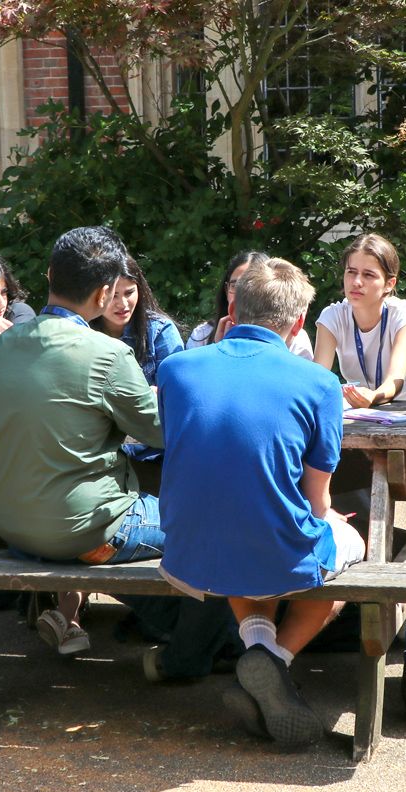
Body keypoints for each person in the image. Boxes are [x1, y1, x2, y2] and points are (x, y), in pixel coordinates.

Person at [157, 257, 366, 746]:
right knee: (347, 542)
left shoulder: (176, 369)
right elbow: (318, 502)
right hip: (262, 547)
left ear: (233, 306)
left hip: (186, 552)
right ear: (297, 324)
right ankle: (275, 659)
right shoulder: (320, 383)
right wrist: (334, 522)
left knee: (242, 523)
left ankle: (257, 646)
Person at [0, 227, 165, 657]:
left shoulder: (5, 344)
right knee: (203, 513)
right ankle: (210, 643)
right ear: (104, 294)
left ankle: (69, 614)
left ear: (50, 275)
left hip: (11, 528)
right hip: (84, 531)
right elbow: (162, 432)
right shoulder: (107, 354)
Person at [313, 234, 406, 407]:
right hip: (356, 411)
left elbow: (395, 381)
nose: (356, 282)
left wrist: (372, 397)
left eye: (368, 275)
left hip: (404, 408)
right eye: (351, 272)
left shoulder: (405, 315)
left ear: (389, 284)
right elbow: (317, 380)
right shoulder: (332, 317)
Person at [187, 250, 313, 358]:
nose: (242, 293)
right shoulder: (203, 334)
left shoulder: (295, 336)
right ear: (226, 290)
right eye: (235, 285)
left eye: (253, 286)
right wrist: (220, 350)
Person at [89, 256, 183, 386]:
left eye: (129, 293)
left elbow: (176, 388)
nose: (122, 304)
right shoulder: (80, 330)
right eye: (113, 296)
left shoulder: (160, 330)